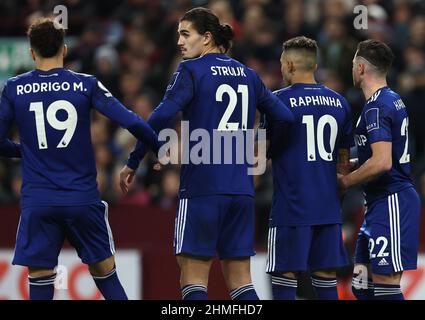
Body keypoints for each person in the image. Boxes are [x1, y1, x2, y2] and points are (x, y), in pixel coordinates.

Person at [119, 7, 294, 300]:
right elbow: (285, 118)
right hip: (241, 190)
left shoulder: (191, 70)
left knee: (193, 279)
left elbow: (159, 117)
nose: (179, 41)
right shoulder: (249, 75)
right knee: (241, 282)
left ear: (207, 37)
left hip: (202, 188)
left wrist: (135, 160)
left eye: (186, 34)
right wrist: (264, 148)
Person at [0, 17, 161, 300]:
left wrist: (25, 151)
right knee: (106, 274)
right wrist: (153, 148)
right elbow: (132, 122)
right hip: (82, 199)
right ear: (64, 49)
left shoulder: (14, 88)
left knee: (40, 278)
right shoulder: (85, 84)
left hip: (39, 202)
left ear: (31, 52)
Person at [260, 36, 353, 300]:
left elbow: (257, 155)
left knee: (284, 279)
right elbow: (342, 164)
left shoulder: (276, 102)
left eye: (281, 63)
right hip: (328, 211)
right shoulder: (340, 103)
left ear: (289, 64)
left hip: (291, 210)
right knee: (325, 281)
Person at [338, 39, 420, 300]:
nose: (351, 69)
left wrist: (345, 181)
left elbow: (382, 163)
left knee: (385, 283)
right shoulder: (390, 99)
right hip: (376, 204)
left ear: (361, 68)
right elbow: (381, 156)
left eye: (353, 64)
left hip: (392, 200)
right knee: (362, 285)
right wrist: (351, 165)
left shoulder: (377, 106)